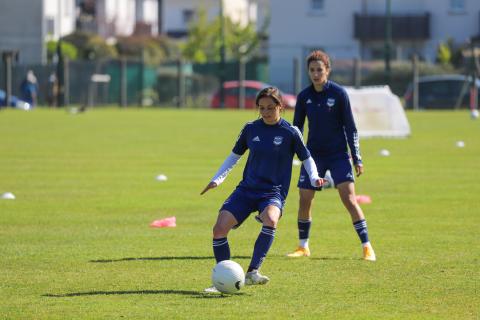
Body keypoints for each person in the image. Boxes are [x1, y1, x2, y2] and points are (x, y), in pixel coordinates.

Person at [201, 87, 324, 291]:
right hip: (247, 190)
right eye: (261, 108)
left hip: (272, 192)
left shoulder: (291, 132)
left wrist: (315, 176)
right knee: (219, 229)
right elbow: (234, 156)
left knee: (271, 219)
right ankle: (223, 278)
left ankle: (252, 272)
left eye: (270, 108)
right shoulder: (250, 129)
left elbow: (307, 158)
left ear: (280, 107)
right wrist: (217, 179)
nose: (265, 112)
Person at [286, 50, 376, 261]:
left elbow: (351, 128)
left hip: (338, 155)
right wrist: (291, 154)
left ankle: (367, 247)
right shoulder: (304, 97)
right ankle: (303, 246)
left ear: (327, 70)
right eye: (312, 70)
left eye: (319, 69)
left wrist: (357, 157)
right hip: (313, 156)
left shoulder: (339, 94)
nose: (316, 74)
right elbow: (296, 128)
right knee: (305, 199)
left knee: (349, 198)